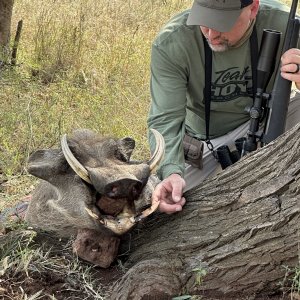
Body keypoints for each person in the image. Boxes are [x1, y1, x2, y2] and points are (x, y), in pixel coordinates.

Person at [147, 0, 300, 214]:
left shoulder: (286, 22)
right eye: (204, 21)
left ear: (253, 8)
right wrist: (171, 171)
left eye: (221, 23)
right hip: (204, 144)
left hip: (268, 121)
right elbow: (164, 119)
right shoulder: (172, 42)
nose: (211, 34)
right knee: (163, 205)